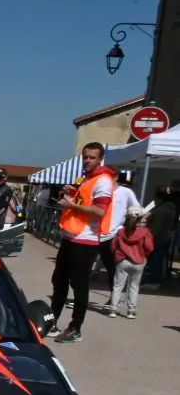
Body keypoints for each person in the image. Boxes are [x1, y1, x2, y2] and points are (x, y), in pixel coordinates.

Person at [47, 141, 116, 343]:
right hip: (71, 237)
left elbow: (99, 211)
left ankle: (75, 328)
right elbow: (85, 203)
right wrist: (73, 194)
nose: (87, 161)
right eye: (85, 157)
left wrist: (71, 205)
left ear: (100, 159)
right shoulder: (88, 178)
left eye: (92, 157)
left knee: (79, 285)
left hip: (86, 241)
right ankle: (52, 321)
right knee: (59, 281)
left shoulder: (103, 180)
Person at [106, 205, 153, 320]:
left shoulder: (121, 231)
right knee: (134, 286)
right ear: (140, 218)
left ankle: (113, 310)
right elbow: (149, 247)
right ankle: (131, 311)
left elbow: (113, 246)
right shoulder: (145, 232)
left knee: (117, 286)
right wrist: (144, 255)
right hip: (139, 261)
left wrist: (118, 254)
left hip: (123, 261)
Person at [94, 169, 140, 278]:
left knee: (113, 268)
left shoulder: (126, 192)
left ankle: (113, 288)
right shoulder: (98, 191)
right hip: (94, 235)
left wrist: (130, 223)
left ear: (116, 177)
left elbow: (136, 209)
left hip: (113, 235)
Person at [143, 186, 176, 286]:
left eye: (156, 198)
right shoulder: (171, 208)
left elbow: (155, 227)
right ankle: (157, 279)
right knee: (160, 259)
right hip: (166, 237)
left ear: (161, 198)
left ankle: (153, 282)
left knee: (156, 260)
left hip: (158, 238)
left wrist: (147, 238)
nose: (155, 201)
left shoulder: (162, 210)